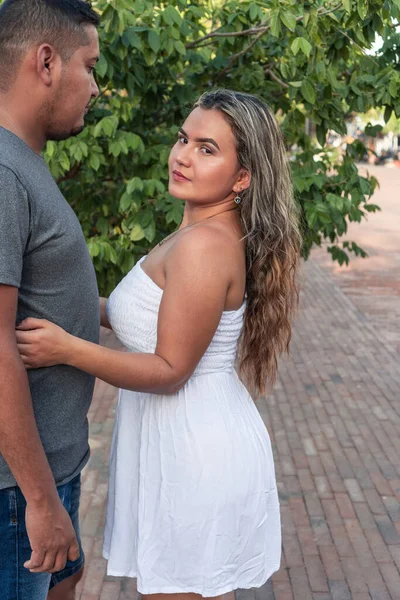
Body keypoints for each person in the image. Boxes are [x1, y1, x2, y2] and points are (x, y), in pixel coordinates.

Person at [16, 89, 302, 599]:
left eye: (207, 148)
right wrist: (58, 308)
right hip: (182, 439)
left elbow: (170, 368)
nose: (182, 155)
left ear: (243, 177)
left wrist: (65, 348)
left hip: (194, 451)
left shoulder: (204, 246)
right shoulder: (196, 231)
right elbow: (147, 318)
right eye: (182, 139)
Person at [0, 1, 100, 598]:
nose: (95, 87)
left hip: (46, 472)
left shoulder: (23, 163)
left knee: (73, 575)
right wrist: (39, 500)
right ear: (46, 62)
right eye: (90, 66)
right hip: (18, 491)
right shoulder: (5, 174)